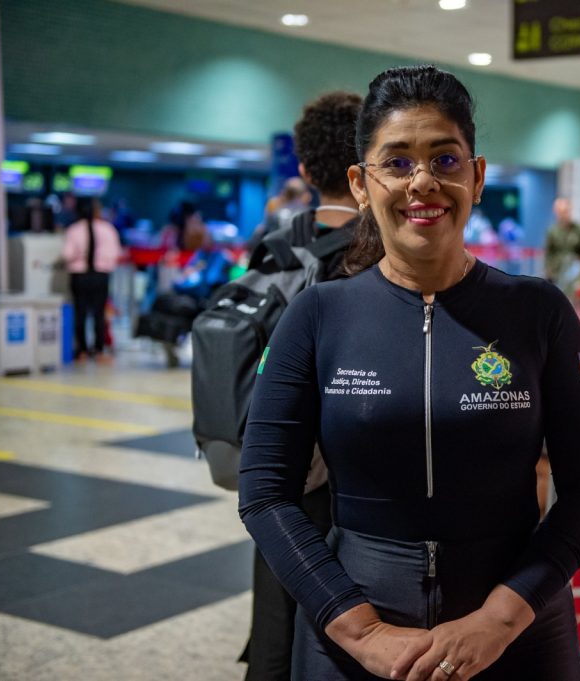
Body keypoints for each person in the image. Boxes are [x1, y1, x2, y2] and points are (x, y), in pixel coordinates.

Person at [238, 64, 580, 681]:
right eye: (397, 162)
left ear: (477, 176)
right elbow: (264, 492)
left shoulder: (538, 312)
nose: (422, 182)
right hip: (353, 631)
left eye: (445, 160)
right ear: (361, 184)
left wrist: (499, 619)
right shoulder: (317, 316)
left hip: (519, 629)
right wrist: (361, 631)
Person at [239, 89, 364, 681]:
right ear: (363, 167)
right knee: (337, 599)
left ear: (307, 171)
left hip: (275, 452)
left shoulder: (273, 243)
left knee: (276, 592)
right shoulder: (378, 248)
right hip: (346, 464)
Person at [61, 197, 122, 363]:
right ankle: (99, 350)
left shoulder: (74, 230)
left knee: (80, 312)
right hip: (100, 276)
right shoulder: (108, 229)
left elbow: (67, 254)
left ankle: (82, 351)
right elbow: (116, 253)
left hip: (79, 276)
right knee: (99, 313)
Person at [544, 197, 580, 287]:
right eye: (560, 211)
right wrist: (548, 271)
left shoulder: (579, 230)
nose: (564, 214)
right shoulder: (553, 231)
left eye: (566, 211)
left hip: (576, 271)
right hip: (557, 271)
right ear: (556, 212)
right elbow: (549, 253)